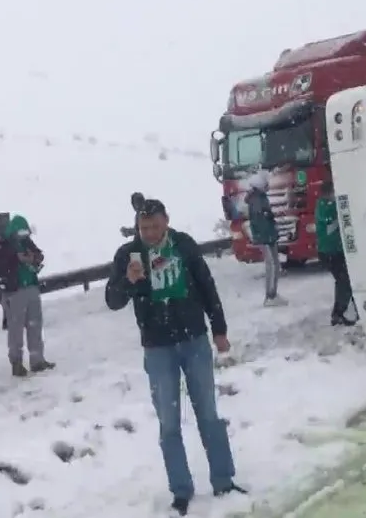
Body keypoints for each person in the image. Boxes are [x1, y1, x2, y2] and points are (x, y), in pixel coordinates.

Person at [104, 198, 245, 515]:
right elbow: (112, 301)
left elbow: (207, 286)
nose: (150, 233)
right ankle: (181, 490)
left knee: (208, 413)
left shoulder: (183, 245)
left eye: (155, 226)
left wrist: (218, 328)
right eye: (143, 228)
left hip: (194, 340)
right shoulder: (129, 255)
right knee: (168, 423)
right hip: (157, 348)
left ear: (166, 221)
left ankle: (223, 479)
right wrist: (127, 280)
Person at [0, 214, 55, 376]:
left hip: (31, 287)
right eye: (20, 233)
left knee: (35, 325)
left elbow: (38, 254)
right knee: (16, 329)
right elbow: (3, 263)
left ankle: (37, 360)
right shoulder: (6, 246)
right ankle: (17, 362)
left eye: (25, 233)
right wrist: (18, 259)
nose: (23, 236)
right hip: (14, 291)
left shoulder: (26, 241)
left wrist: (34, 258)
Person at [315, 182, 356, 326]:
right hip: (330, 251)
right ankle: (339, 313)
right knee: (344, 280)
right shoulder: (324, 206)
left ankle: (345, 310)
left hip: (335, 250)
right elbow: (328, 217)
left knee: (346, 280)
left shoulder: (327, 204)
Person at [245, 172, 286, 306]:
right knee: (272, 264)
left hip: (267, 235)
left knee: (274, 263)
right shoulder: (257, 199)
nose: (268, 185)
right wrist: (268, 235)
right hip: (266, 236)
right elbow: (260, 219)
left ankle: (272, 293)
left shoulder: (258, 197)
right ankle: (270, 295)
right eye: (266, 183)